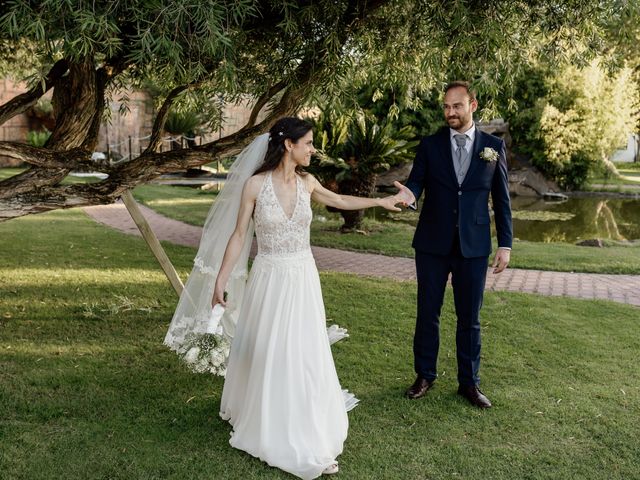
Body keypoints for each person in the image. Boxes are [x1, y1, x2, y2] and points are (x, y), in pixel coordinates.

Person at [168, 117, 406, 479]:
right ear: (288, 145)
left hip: (303, 278)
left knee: (303, 350)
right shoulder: (254, 185)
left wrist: (383, 200)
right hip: (269, 278)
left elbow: (341, 199)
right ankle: (269, 416)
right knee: (272, 349)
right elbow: (238, 236)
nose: (313, 149)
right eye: (308, 143)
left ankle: (306, 420)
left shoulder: (308, 182)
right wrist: (221, 280)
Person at [395, 81, 513, 408]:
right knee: (427, 313)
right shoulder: (430, 145)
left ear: (472, 105)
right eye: (446, 107)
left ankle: (469, 383)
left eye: (457, 106)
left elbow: (501, 201)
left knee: (470, 317)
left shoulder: (493, 147)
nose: (450, 112)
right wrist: (408, 196)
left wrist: (505, 243)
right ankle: (424, 375)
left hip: (473, 247)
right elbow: (416, 182)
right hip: (432, 244)